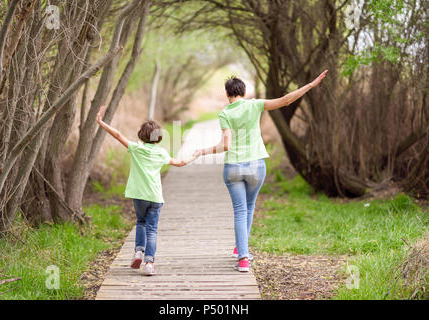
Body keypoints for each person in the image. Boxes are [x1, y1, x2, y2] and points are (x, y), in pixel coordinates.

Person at [193, 70, 329, 272]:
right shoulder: (254, 105)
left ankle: (243, 257)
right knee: (249, 207)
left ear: (227, 93)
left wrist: (202, 151)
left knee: (240, 211)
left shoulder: (225, 113)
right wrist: (310, 85)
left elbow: (226, 145)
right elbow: (285, 100)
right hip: (256, 166)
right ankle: (242, 250)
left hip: (233, 168)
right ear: (244, 92)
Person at [96, 106, 198, 276]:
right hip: (155, 197)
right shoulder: (161, 153)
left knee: (140, 222)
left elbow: (118, 135)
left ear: (141, 135)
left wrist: (101, 122)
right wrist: (194, 156)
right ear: (158, 138)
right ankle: (149, 263)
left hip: (139, 196)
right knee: (152, 228)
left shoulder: (136, 149)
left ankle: (138, 252)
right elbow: (180, 162)